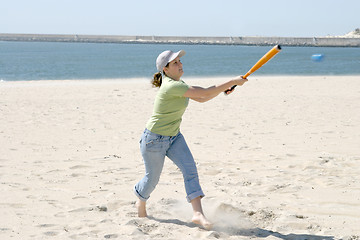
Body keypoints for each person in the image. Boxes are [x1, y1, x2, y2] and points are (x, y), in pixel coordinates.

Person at [134, 50, 247, 230]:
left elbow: (202, 98)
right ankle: (140, 200)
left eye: (180, 61)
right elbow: (204, 92)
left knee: (190, 170)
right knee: (152, 179)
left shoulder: (179, 83)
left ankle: (198, 214)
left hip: (174, 137)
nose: (180, 64)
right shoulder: (171, 86)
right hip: (154, 140)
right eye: (175, 63)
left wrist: (224, 89)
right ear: (166, 69)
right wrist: (232, 81)